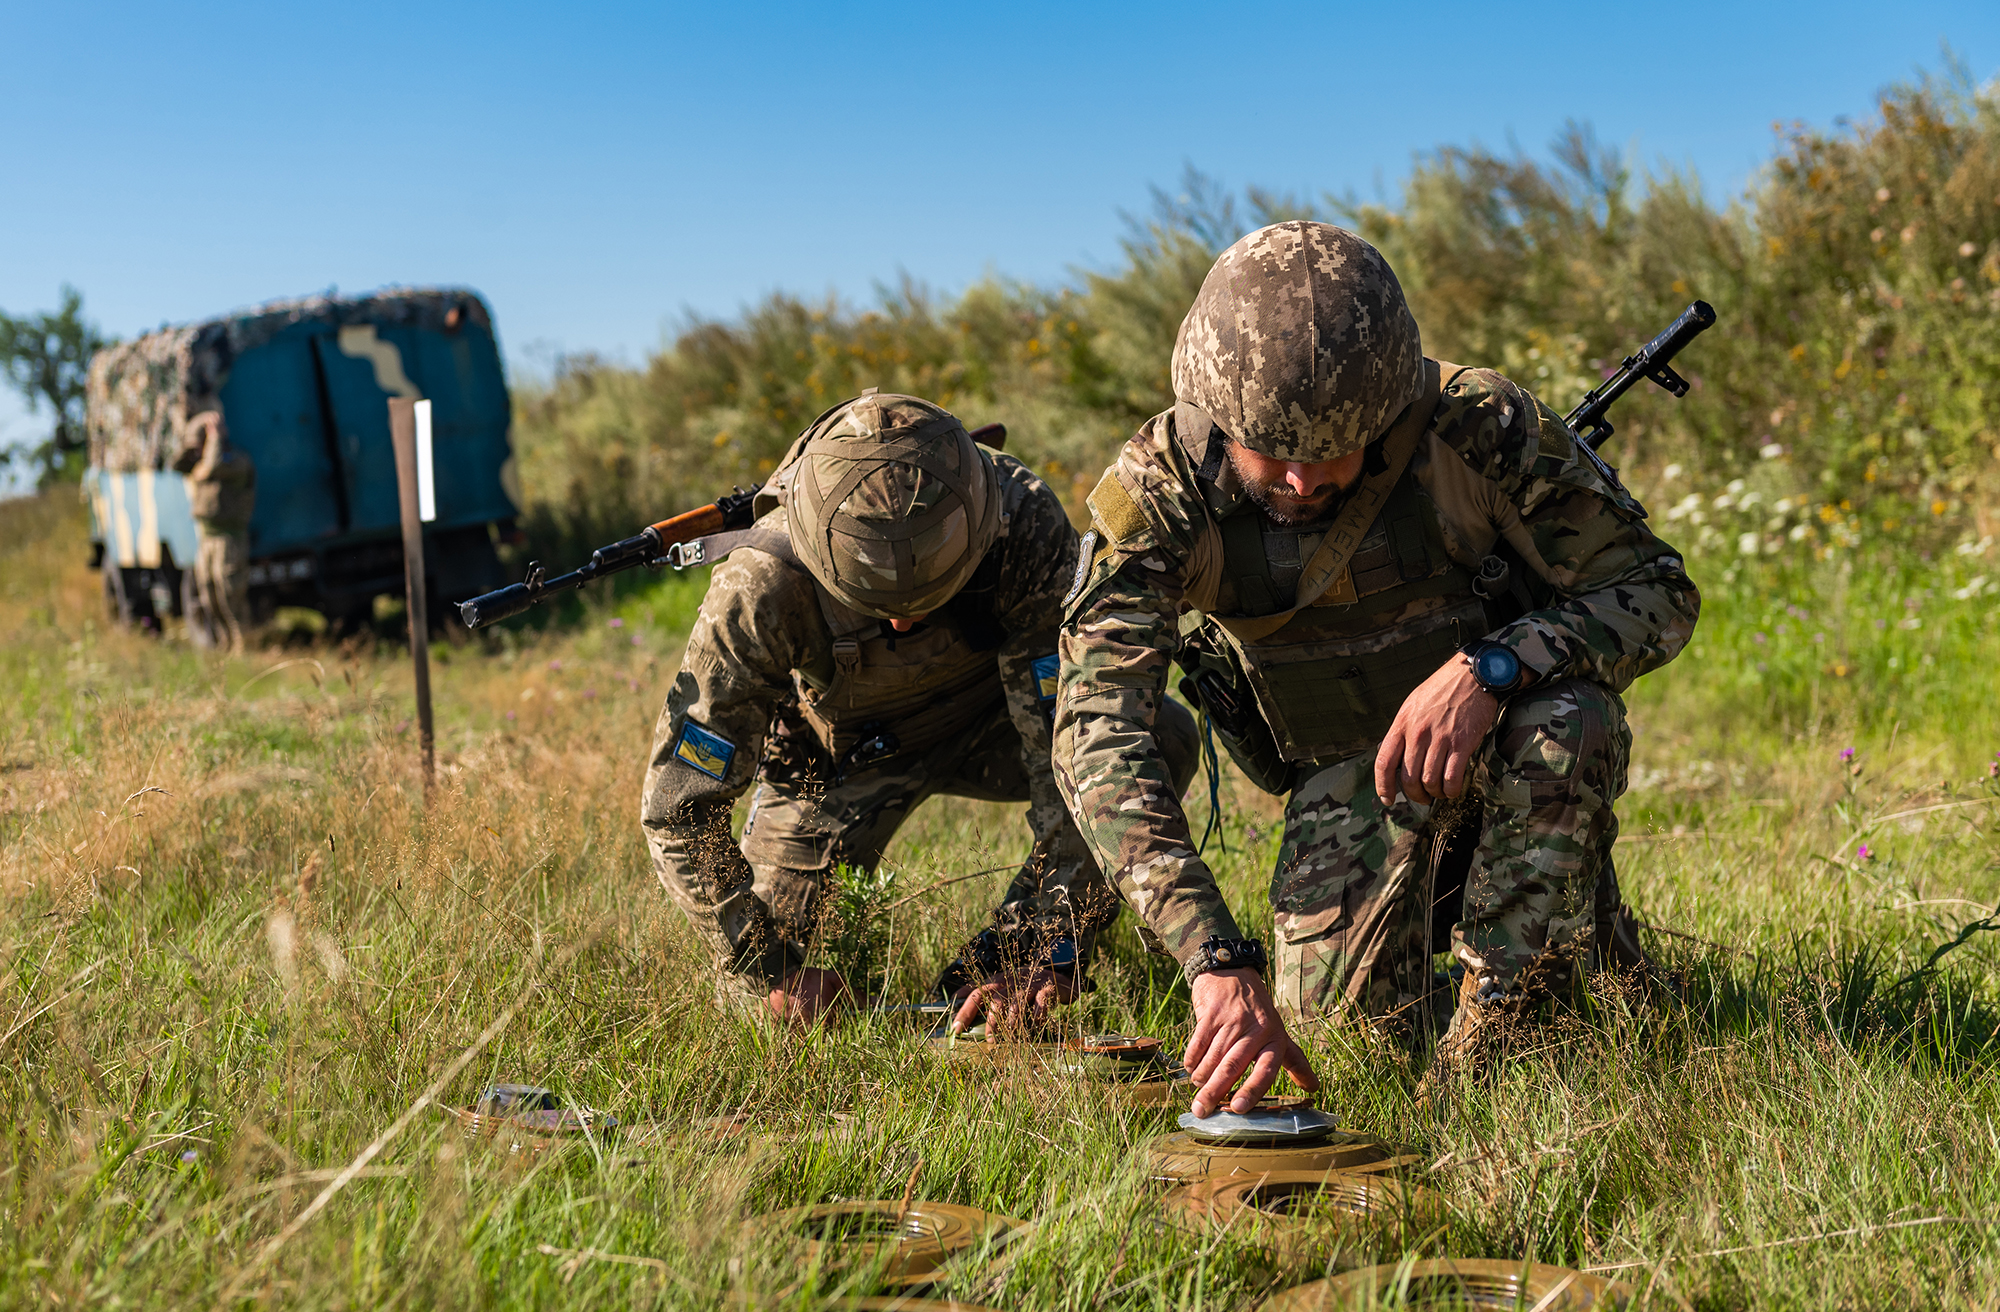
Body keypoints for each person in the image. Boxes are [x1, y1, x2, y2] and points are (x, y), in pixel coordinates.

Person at [1053, 222, 1700, 1115]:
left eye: (1332, 450)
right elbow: (1099, 735)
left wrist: (1494, 667)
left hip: (1512, 744)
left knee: (1571, 718)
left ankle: (1514, 1030)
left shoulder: (1478, 428)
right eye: (1268, 451)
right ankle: (1567, 937)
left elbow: (1658, 590)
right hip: (1348, 785)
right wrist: (1213, 959)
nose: (1298, 479)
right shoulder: (1163, 490)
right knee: (1339, 1040)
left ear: (1390, 412)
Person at [641, 391, 1200, 1027]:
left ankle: (996, 965)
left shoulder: (1021, 521)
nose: (905, 620)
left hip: (994, 726)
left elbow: (1075, 747)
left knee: (1155, 735)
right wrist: (768, 969)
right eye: (876, 604)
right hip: (840, 765)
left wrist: (1043, 943)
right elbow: (678, 808)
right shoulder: (758, 588)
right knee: (773, 1017)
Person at [172, 409, 256, 653]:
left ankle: (244, 648)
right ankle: (225, 645)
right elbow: (177, 464)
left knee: (231, 594)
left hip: (229, 538)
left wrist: (215, 436)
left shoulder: (236, 461)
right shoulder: (200, 461)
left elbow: (212, 467)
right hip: (206, 538)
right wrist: (193, 432)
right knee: (209, 594)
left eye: (203, 444)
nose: (198, 451)